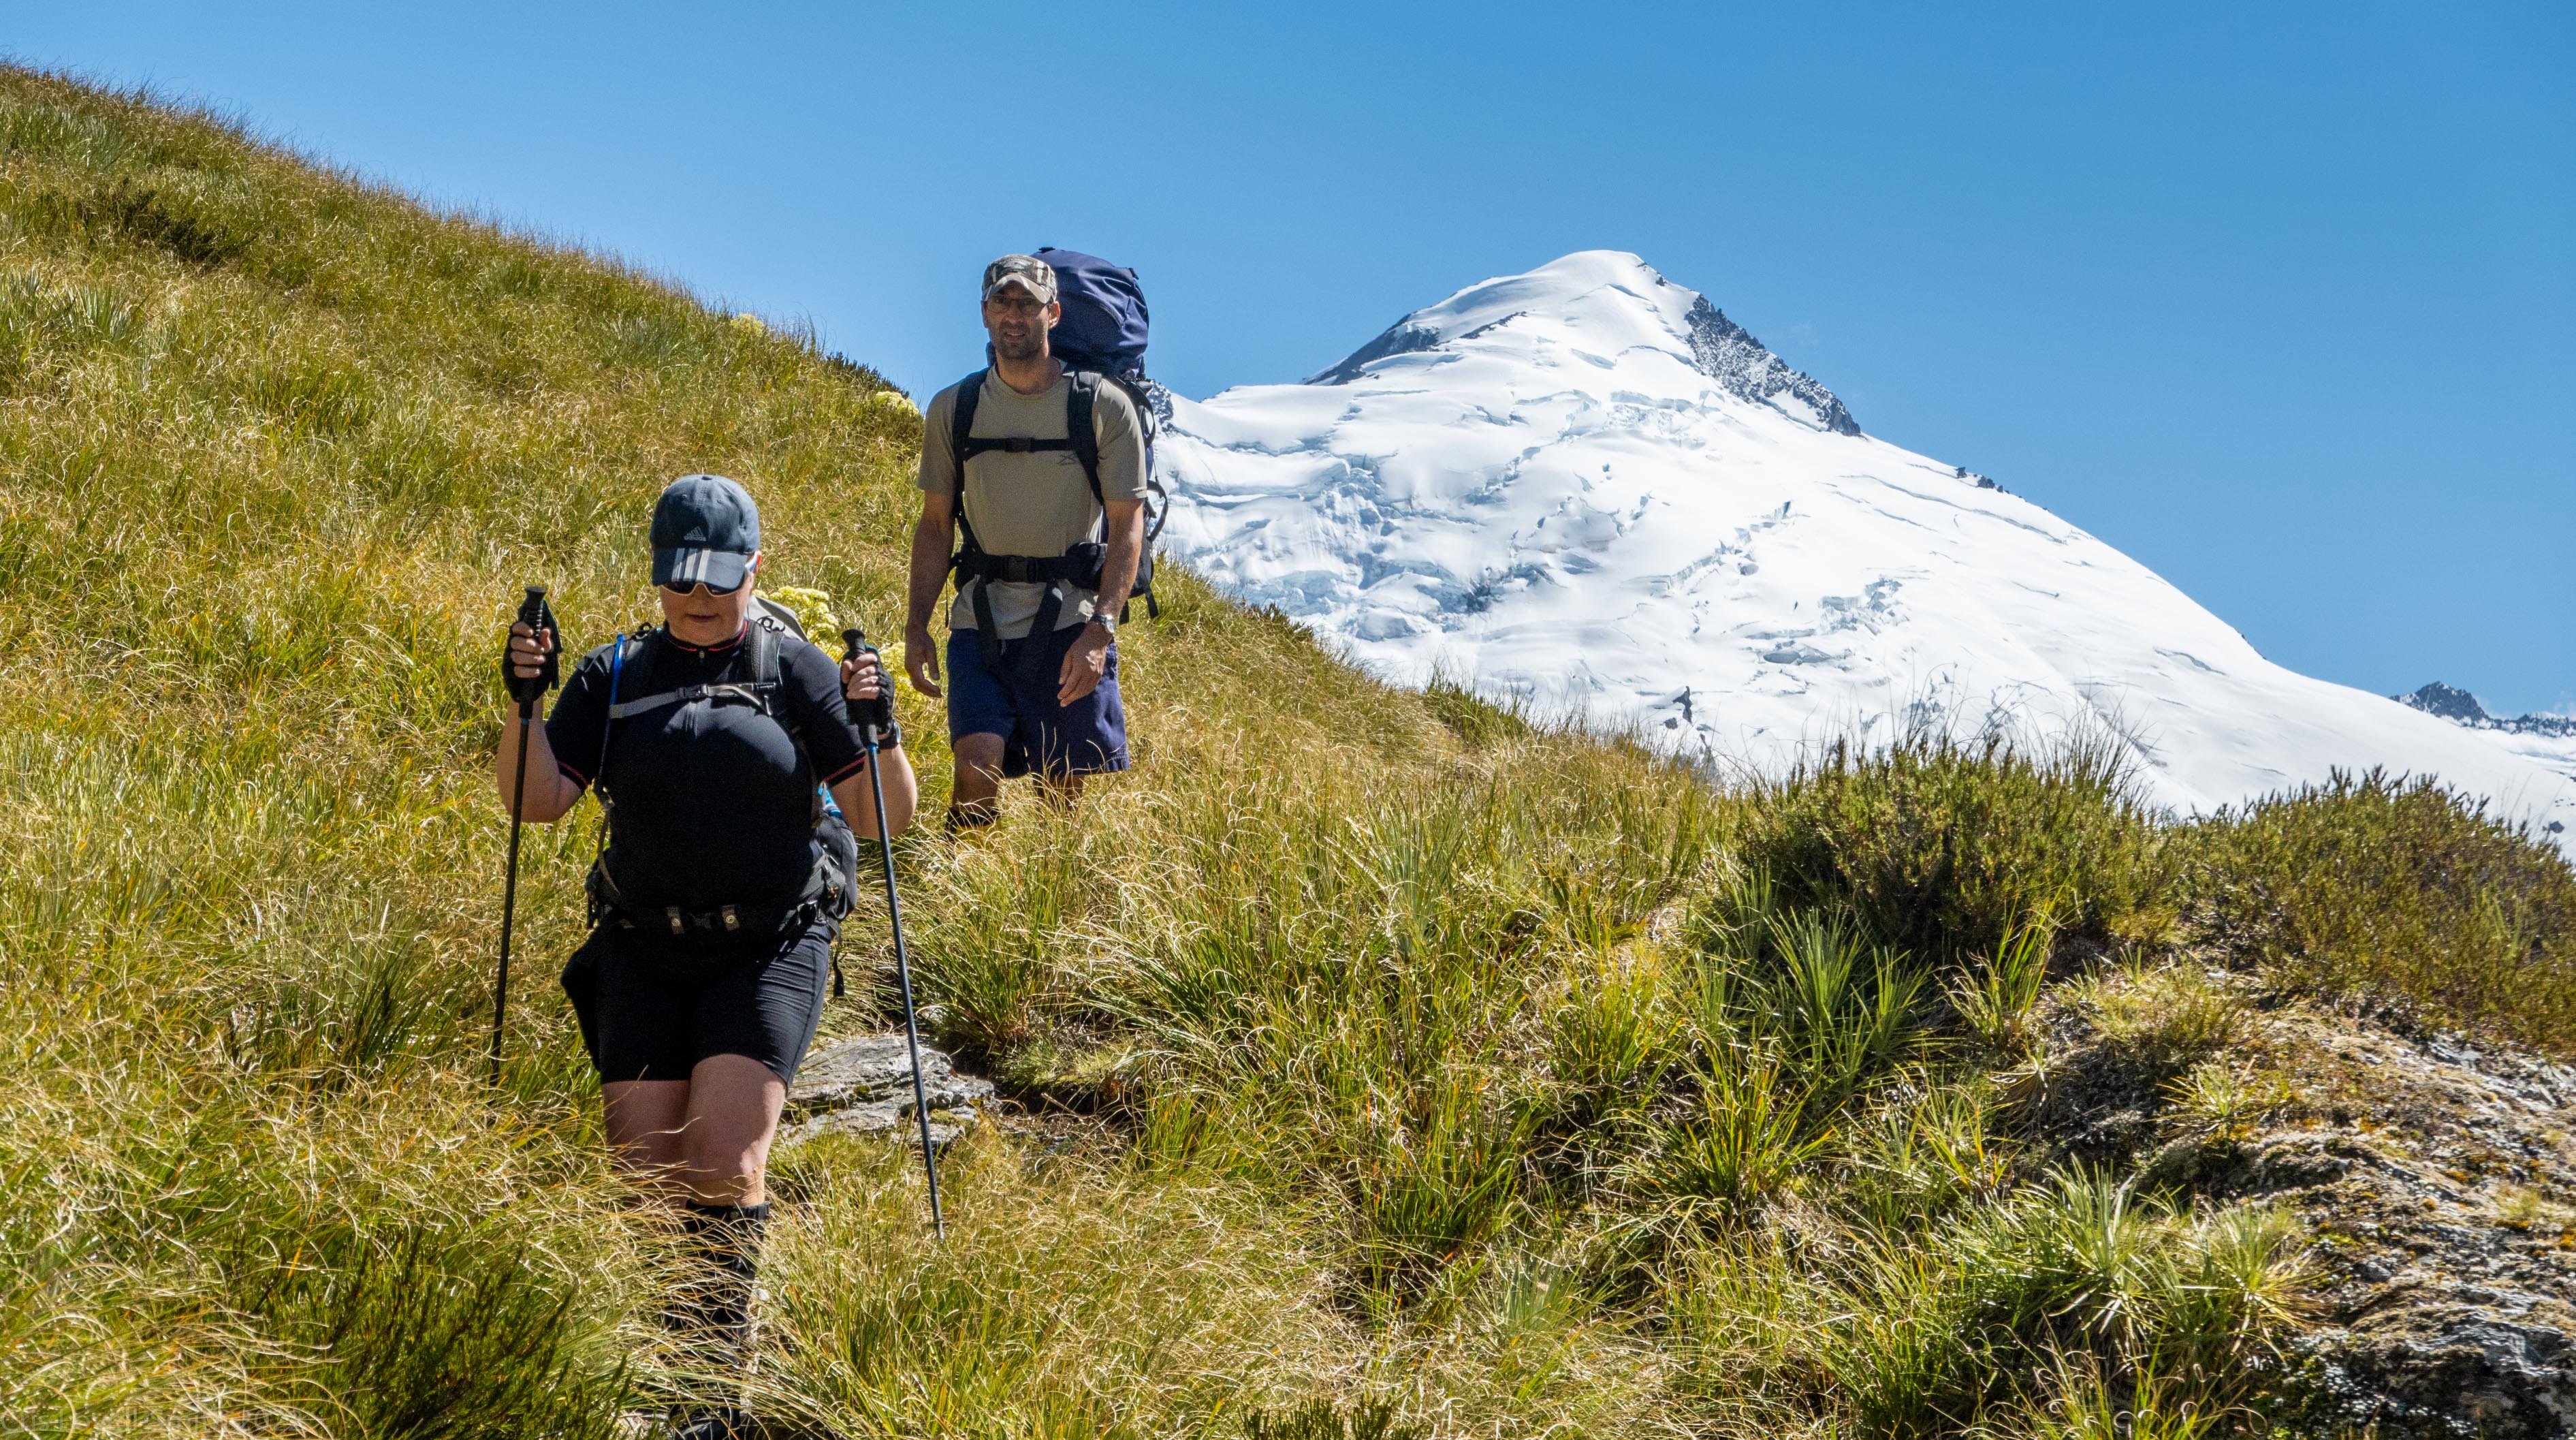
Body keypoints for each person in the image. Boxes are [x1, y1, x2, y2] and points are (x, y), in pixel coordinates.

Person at [498, 473, 914, 1438]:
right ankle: (666, 1360)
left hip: (769, 944)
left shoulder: (796, 669)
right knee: (646, 1179)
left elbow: (883, 818)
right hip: (641, 946)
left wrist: (880, 728)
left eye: (718, 578)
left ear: (754, 567)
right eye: (679, 576)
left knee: (722, 1161)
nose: (696, 596)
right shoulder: (612, 675)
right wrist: (525, 705)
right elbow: (536, 801)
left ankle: (713, 1400)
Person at [904, 253, 1149, 829]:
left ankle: (1048, 883)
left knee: (1061, 787)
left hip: (1070, 624)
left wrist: (1101, 629)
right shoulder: (954, 408)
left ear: (1053, 314)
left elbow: (1127, 525)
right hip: (980, 619)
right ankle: (964, 878)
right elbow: (935, 524)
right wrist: (916, 626)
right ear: (984, 312)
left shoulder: (1102, 406)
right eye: (1002, 302)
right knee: (975, 765)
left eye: (1027, 304)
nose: (1013, 315)